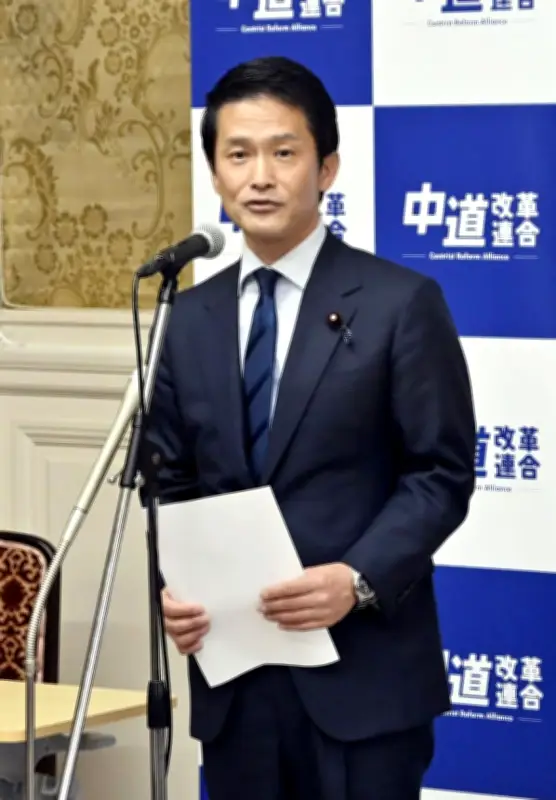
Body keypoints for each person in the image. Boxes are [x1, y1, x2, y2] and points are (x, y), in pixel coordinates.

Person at [145, 56, 476, 800]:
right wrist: (178, 589)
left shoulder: (400, 304)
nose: (259, 177)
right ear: (215, 173)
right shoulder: (187, 318)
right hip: (236, 681)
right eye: (238, 155)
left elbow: (441, 474)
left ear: (326, 168)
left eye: (283, 152)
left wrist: (356, 580)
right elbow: (171, 482)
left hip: (362, 679)